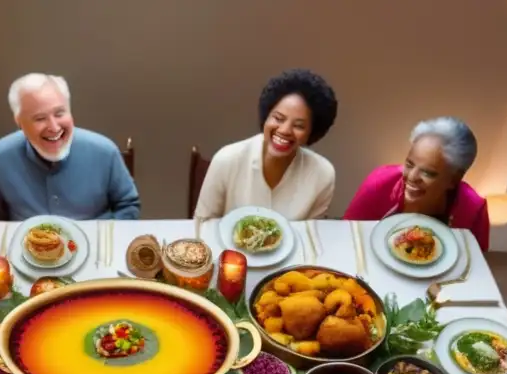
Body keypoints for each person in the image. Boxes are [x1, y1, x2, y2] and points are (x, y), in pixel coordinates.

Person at [0, 73, 140, 221]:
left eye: (59, 113)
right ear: (19, 123)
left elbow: (129, 206)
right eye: (40, 118)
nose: (54, 127)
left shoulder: (105, 151)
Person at [194, 68, 338, 221]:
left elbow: (310, 235)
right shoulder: (226, 159)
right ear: (266, 116)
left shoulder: (323, 174)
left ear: (312, 131)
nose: (284, 130)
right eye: (278, 118)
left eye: (299, 125)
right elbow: (202, 225)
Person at [343, 116, 490, 250]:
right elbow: (347, 235)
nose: (412, 177)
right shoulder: (379, 183)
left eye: (428, 173)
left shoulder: (473, 208)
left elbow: (476, 262)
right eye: (409, 164)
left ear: (453, 180)